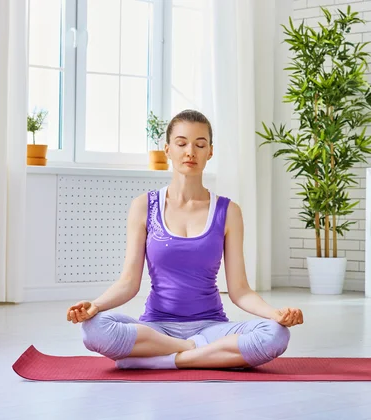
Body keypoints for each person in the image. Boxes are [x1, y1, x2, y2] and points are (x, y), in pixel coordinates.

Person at [66, 109, 304, 370]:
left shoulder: (228, 211)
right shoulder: (144, 206)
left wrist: (275, 315)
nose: (190, 151)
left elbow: (240, 290)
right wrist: (95, 305)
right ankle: (197, 352)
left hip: (211, 327)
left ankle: (162, 361)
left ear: (210, 152)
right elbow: (128, 283)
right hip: (156, 329)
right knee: (93, 329)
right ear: (167, 149)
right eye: (181, 143)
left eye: (200, 144)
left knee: (276, 335)